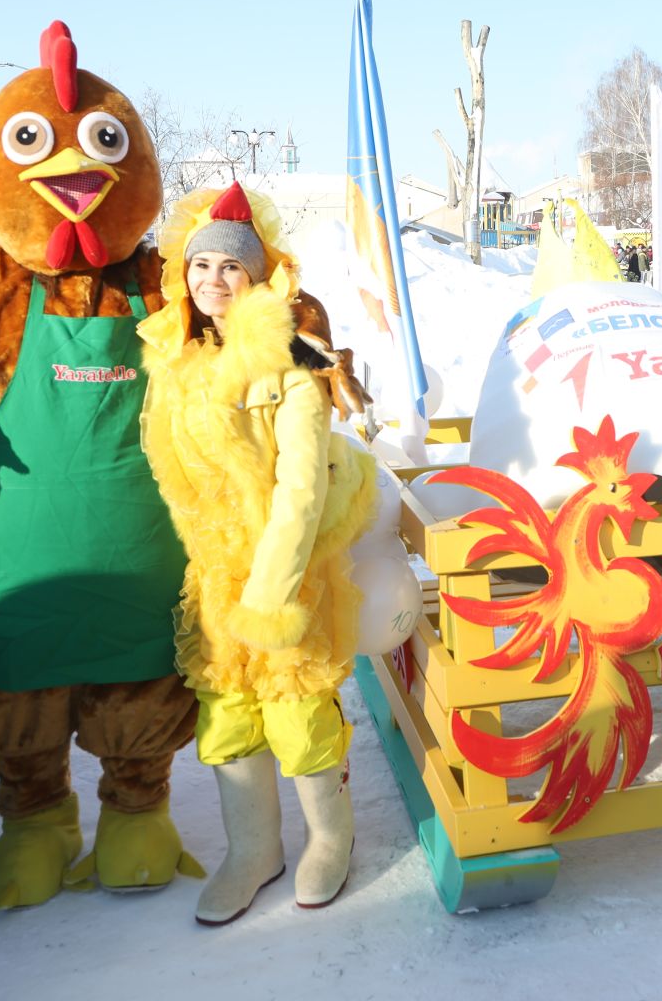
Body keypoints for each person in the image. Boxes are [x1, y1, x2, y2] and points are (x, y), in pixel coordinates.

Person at [137, 182, 379, 923]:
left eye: (230, 268)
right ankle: (254, 850)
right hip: (211, 574)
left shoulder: (288, 364)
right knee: (228, 718)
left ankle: (329, 839)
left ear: (256, 277)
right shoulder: (173, 361)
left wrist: (269, 594)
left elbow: (301, 490)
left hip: (285, 575)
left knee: (299, 715)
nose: (213, 280)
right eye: (200, 264)